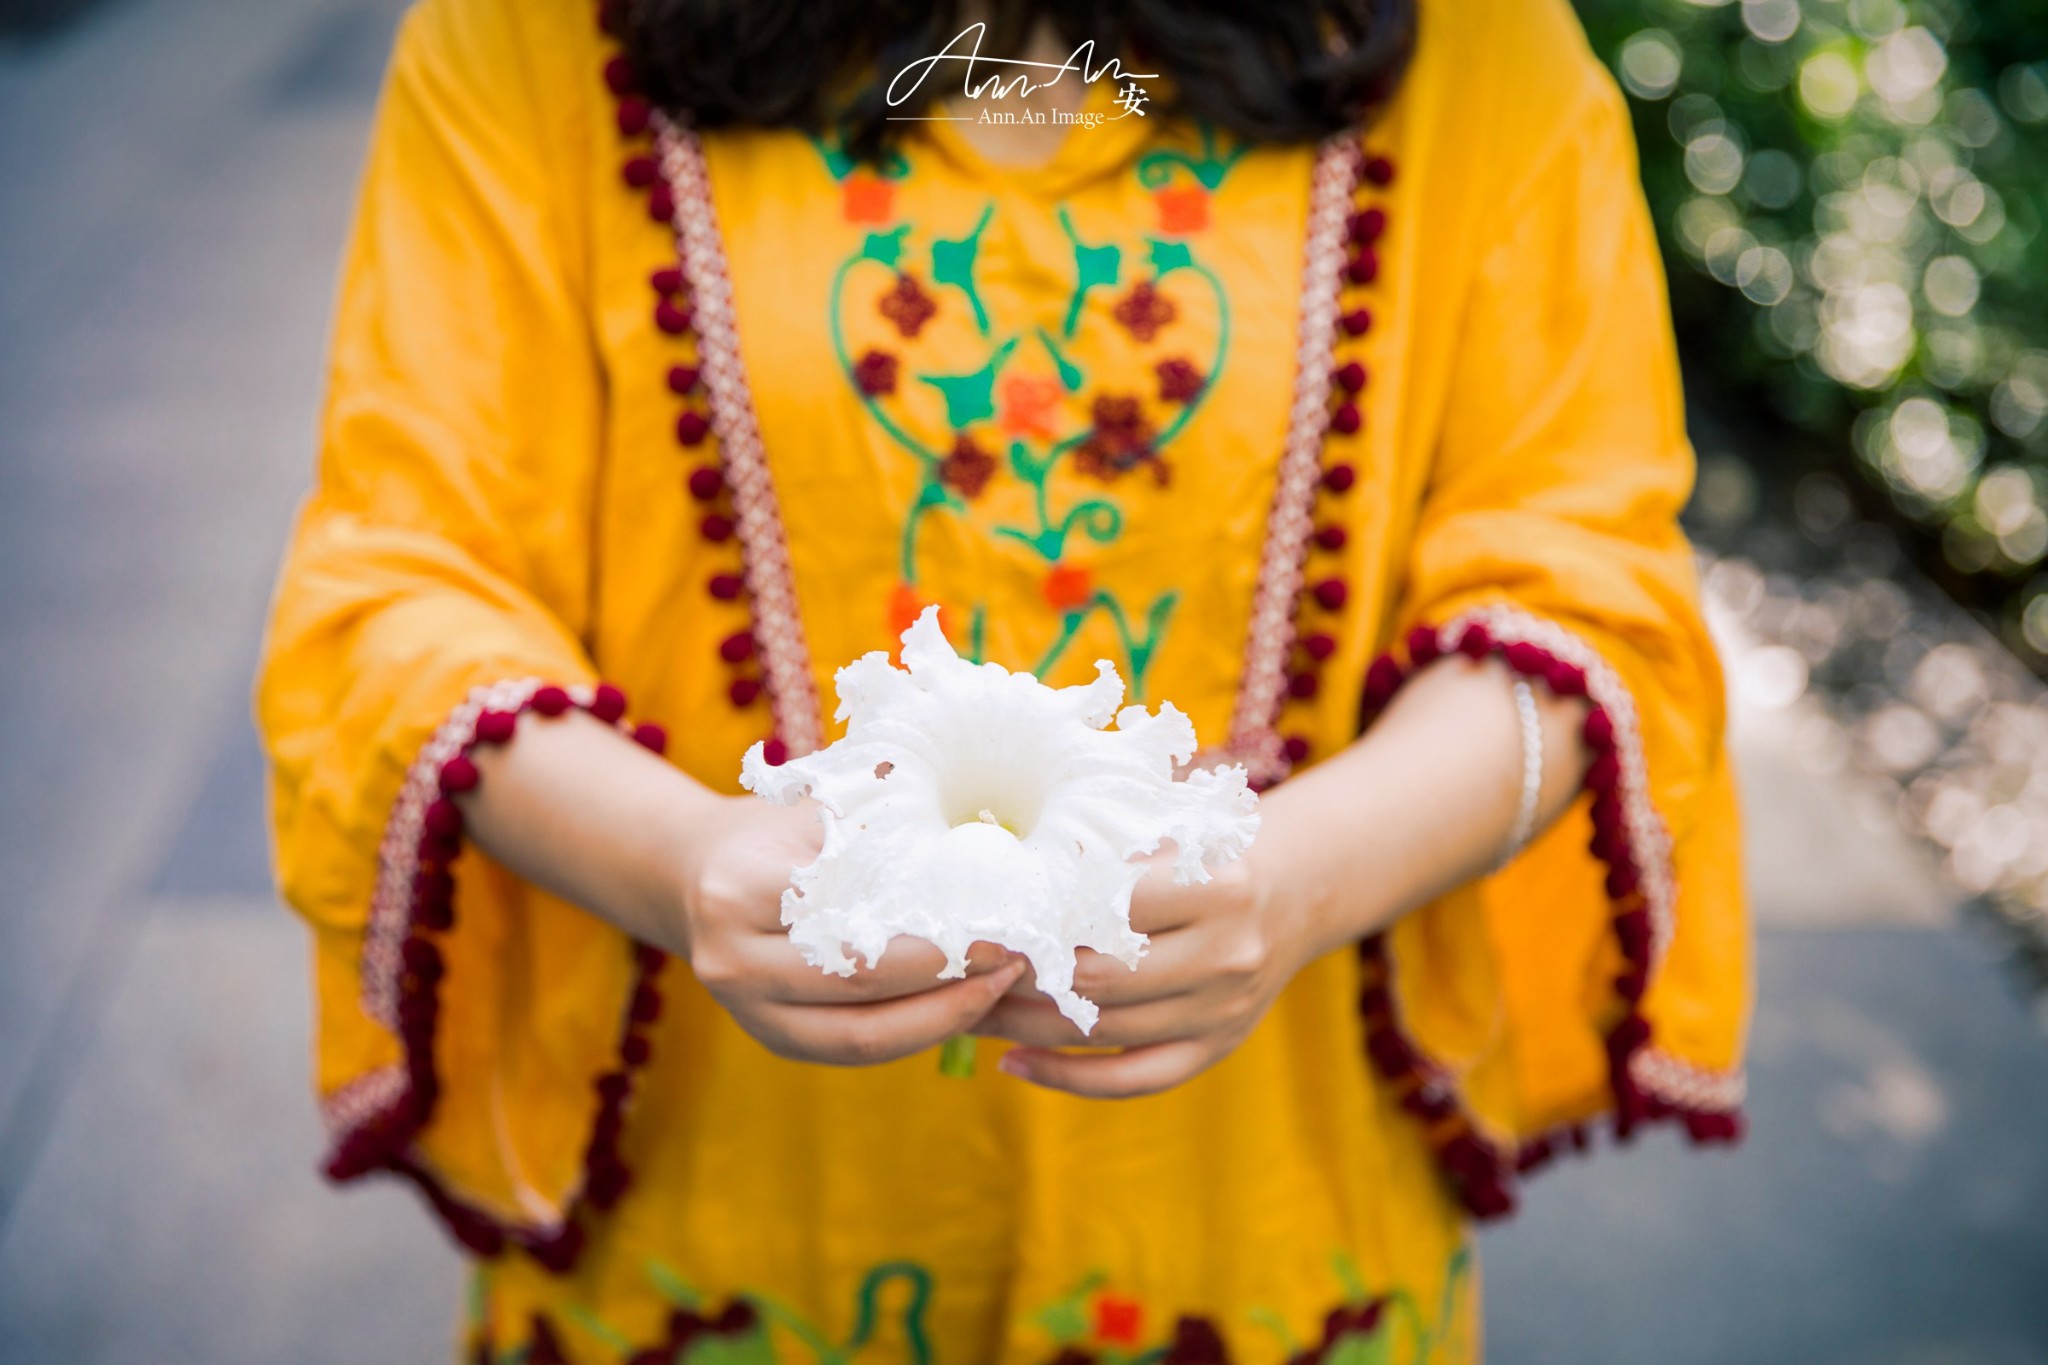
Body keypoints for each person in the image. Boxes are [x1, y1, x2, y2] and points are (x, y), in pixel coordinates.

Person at [255, 0, 1751, 1359]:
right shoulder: (524, 38)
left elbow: (1588, 588)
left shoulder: (1476, 47)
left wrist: (1300, 877)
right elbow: (400, 586)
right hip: (722, 1220)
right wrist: (680, 861)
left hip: (1265, 1224)